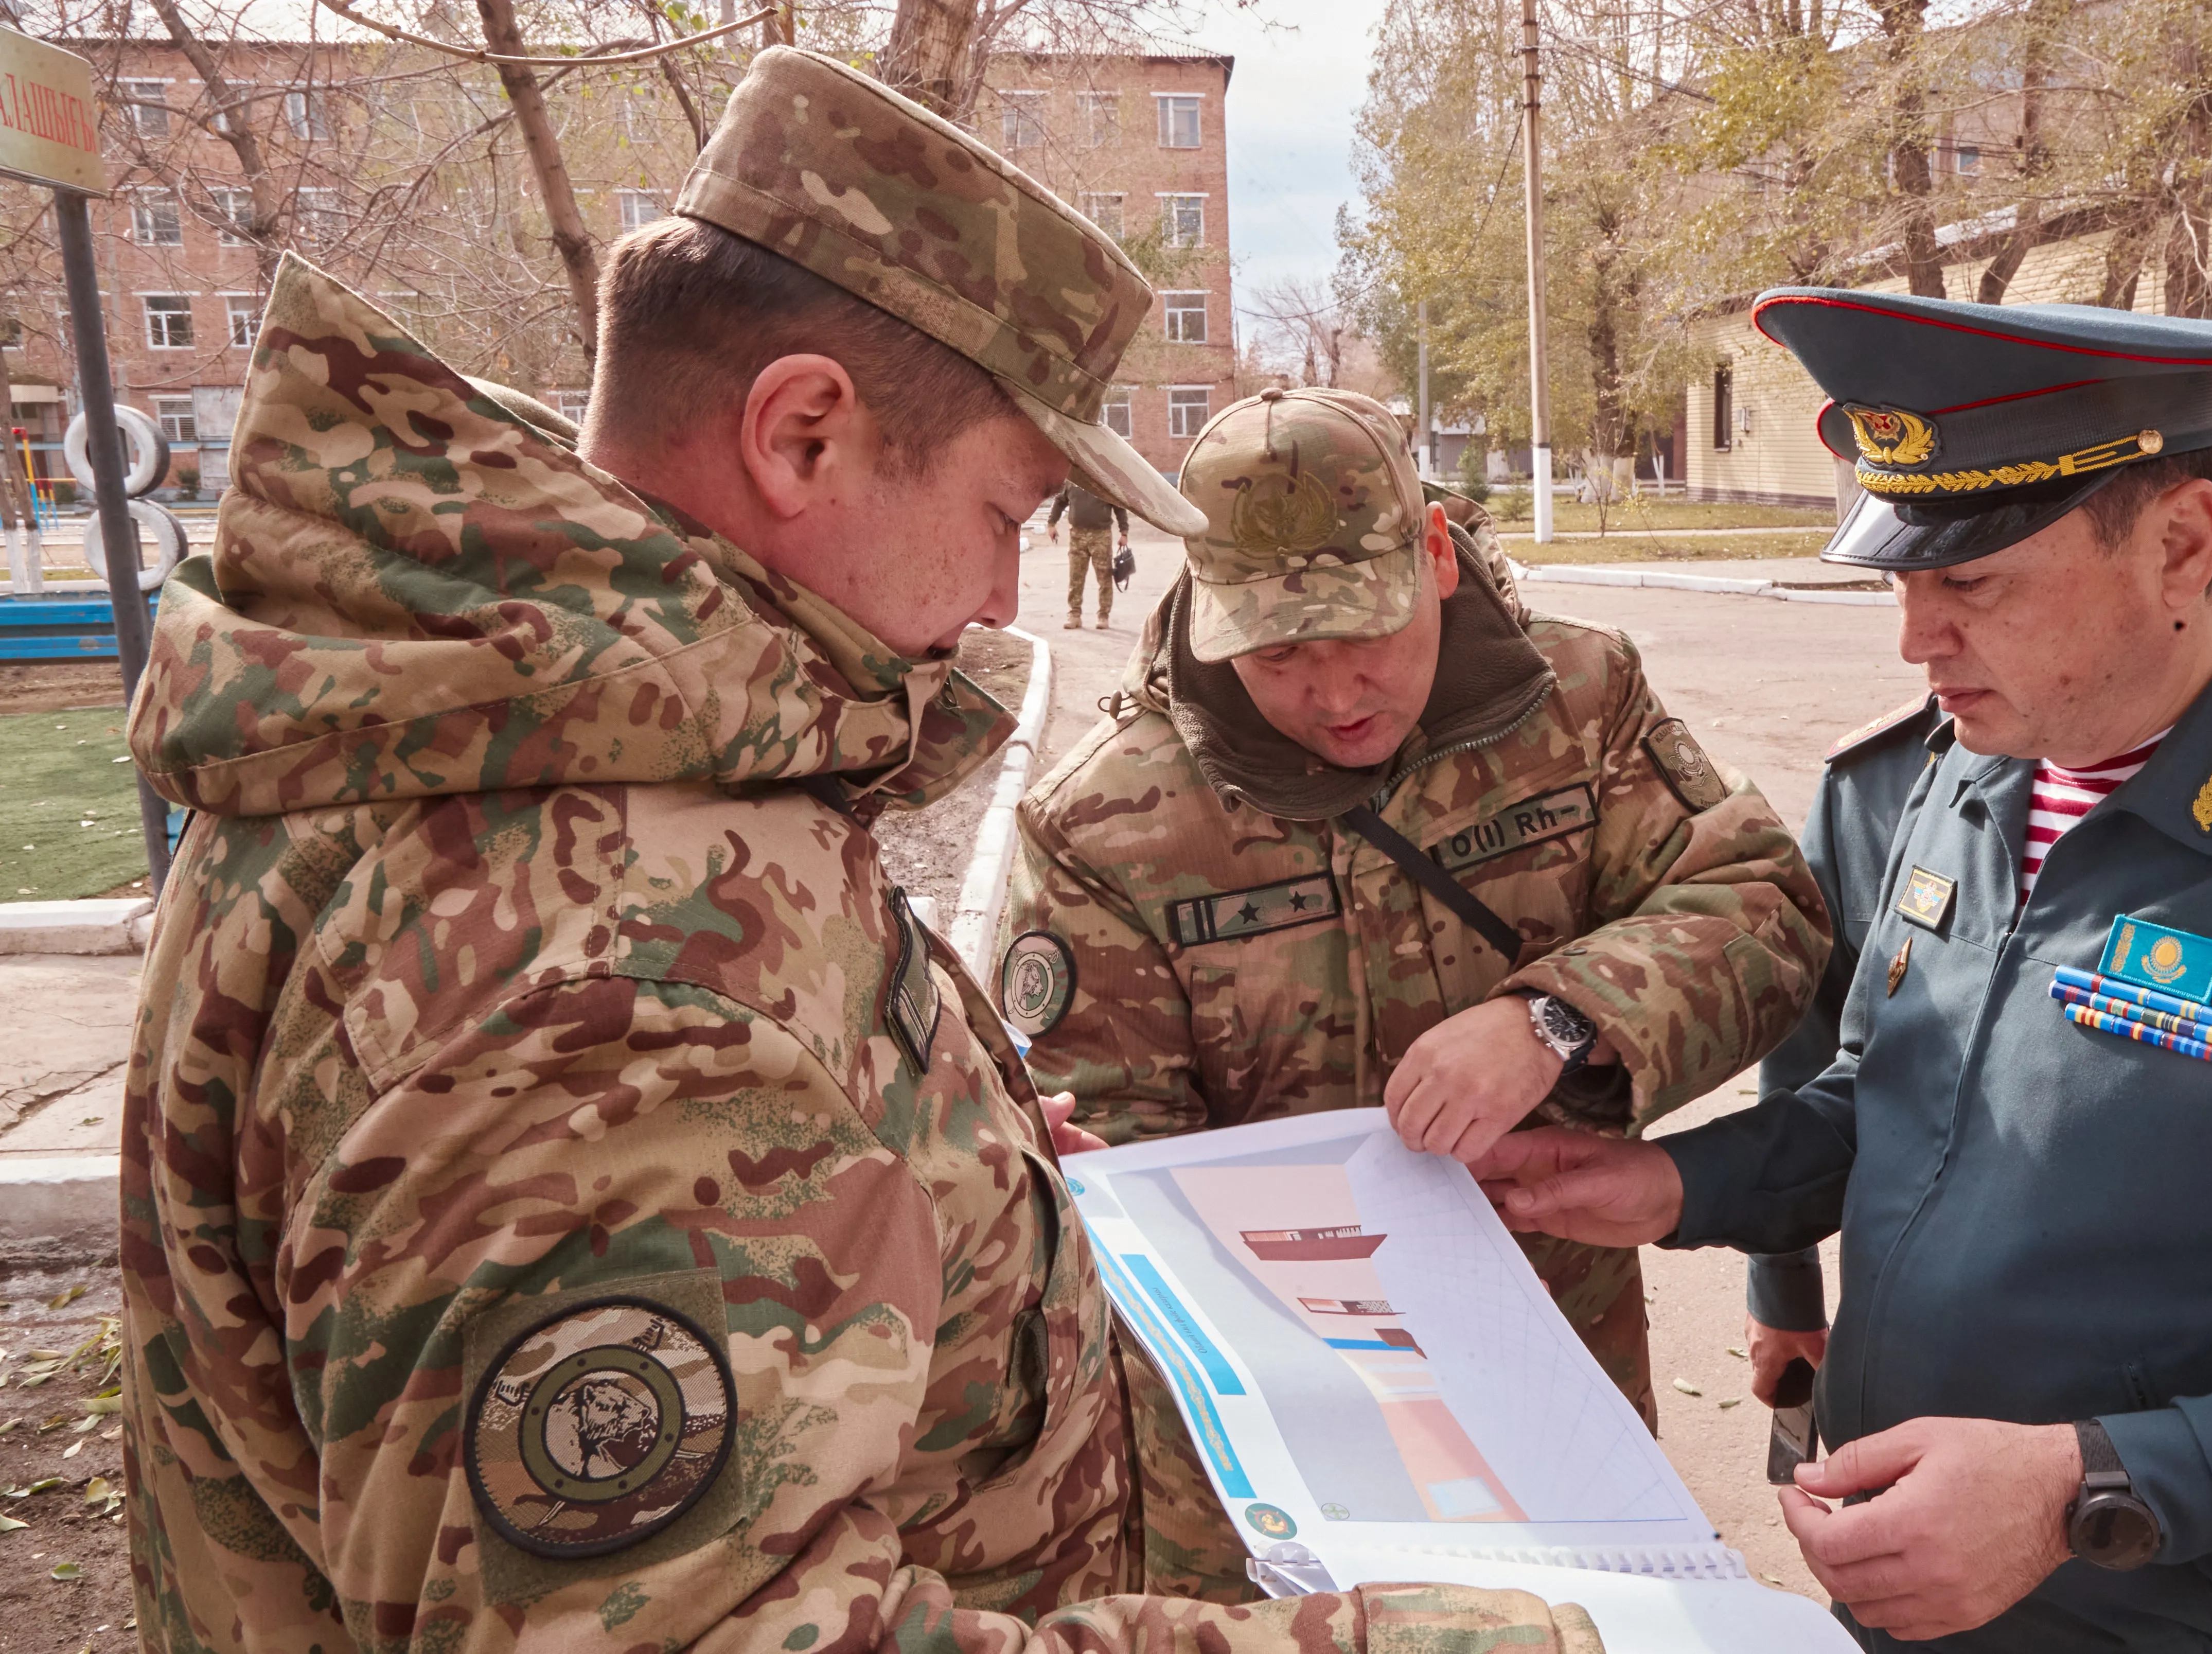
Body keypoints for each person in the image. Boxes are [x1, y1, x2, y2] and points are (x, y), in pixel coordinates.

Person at [113, 47, 1601, 1654]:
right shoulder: (602, 966)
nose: (1009, 599)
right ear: (803, 434)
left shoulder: (543, 741)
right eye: (1008, 510)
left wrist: (983, 1187)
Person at [1475, 289, 2212, 1652]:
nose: (1918, 638)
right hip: (1906, 1597)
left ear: (2178, 544)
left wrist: (2085, 1489)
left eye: (1972, 581)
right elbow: (1898, 1098)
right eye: (1904, 580)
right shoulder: (1932, 782)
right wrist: (1681, 1185)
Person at [1002, 384, 1831, 1594]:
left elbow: (1763, 908)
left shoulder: (1581, 704)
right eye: (1280, 654)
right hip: (1264, 1444)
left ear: (1434, 557)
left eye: (1367, 637)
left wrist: (1556, 1017)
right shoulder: (1109, 821)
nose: (1336, 695)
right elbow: (1103, 1161)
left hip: (1549, 1372)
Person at [1739, 692, 1943, 1403]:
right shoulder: (1872, 782)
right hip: (1901, 1344)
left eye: (1974, 584)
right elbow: (1813, 1065)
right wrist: (1782, 1283)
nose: (1916, 638)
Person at [1052, 479, 1131, 629]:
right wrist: (1052, 524)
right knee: (1076, 577)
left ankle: (1103, 615)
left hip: (1101, 536)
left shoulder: (1104, 481)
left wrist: (1124, 532)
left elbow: (1119, 508)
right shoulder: (1072, 480)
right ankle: (1074, 615)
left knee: (1104, 577)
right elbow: (1060, 501)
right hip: (1077, 535)